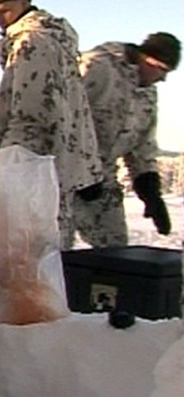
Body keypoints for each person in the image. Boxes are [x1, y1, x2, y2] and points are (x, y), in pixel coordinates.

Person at [0, 0, 103, 248]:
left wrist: (8, 167)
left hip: (36, 168)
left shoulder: (32, 42)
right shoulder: (55, 40)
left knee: (37, 257)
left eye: (5, 11)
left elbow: (32, 114)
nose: (0, 20)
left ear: (24, 3)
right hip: (58, 164)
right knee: (55, 249)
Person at [71, 32, 180, 246]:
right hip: (61, 177)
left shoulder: (147, 93)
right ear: (146, 59)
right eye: (163, 70)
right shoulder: (97, 67)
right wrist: (81, 169)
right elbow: (62, 116)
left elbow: (143, 144)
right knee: (50, 249)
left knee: (115, 248)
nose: (163, 79)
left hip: (103, 179)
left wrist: (150, 192)